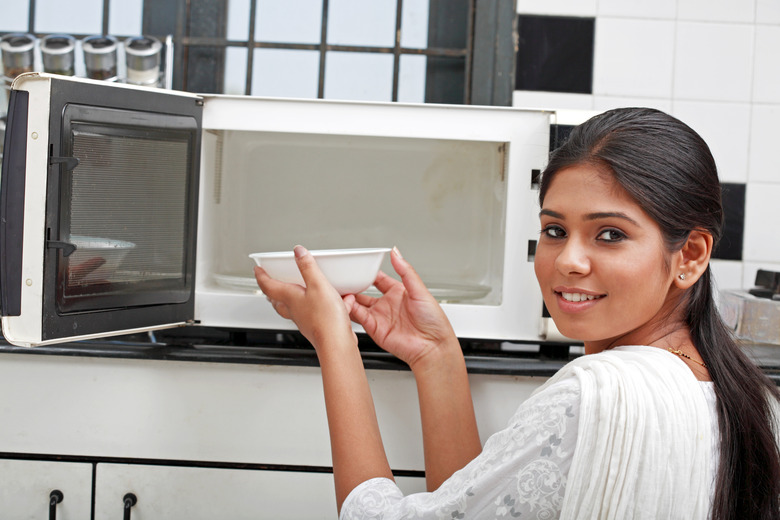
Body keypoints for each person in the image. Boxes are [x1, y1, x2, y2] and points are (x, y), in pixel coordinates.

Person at [254, 107, 780, 519]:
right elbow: (479, 504)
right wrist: (437, 356)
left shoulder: (593, 396)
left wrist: (333, 340)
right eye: (554, 230)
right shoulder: (743, 394)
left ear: (689, 255)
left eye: (610, 235)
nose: (568, 261)